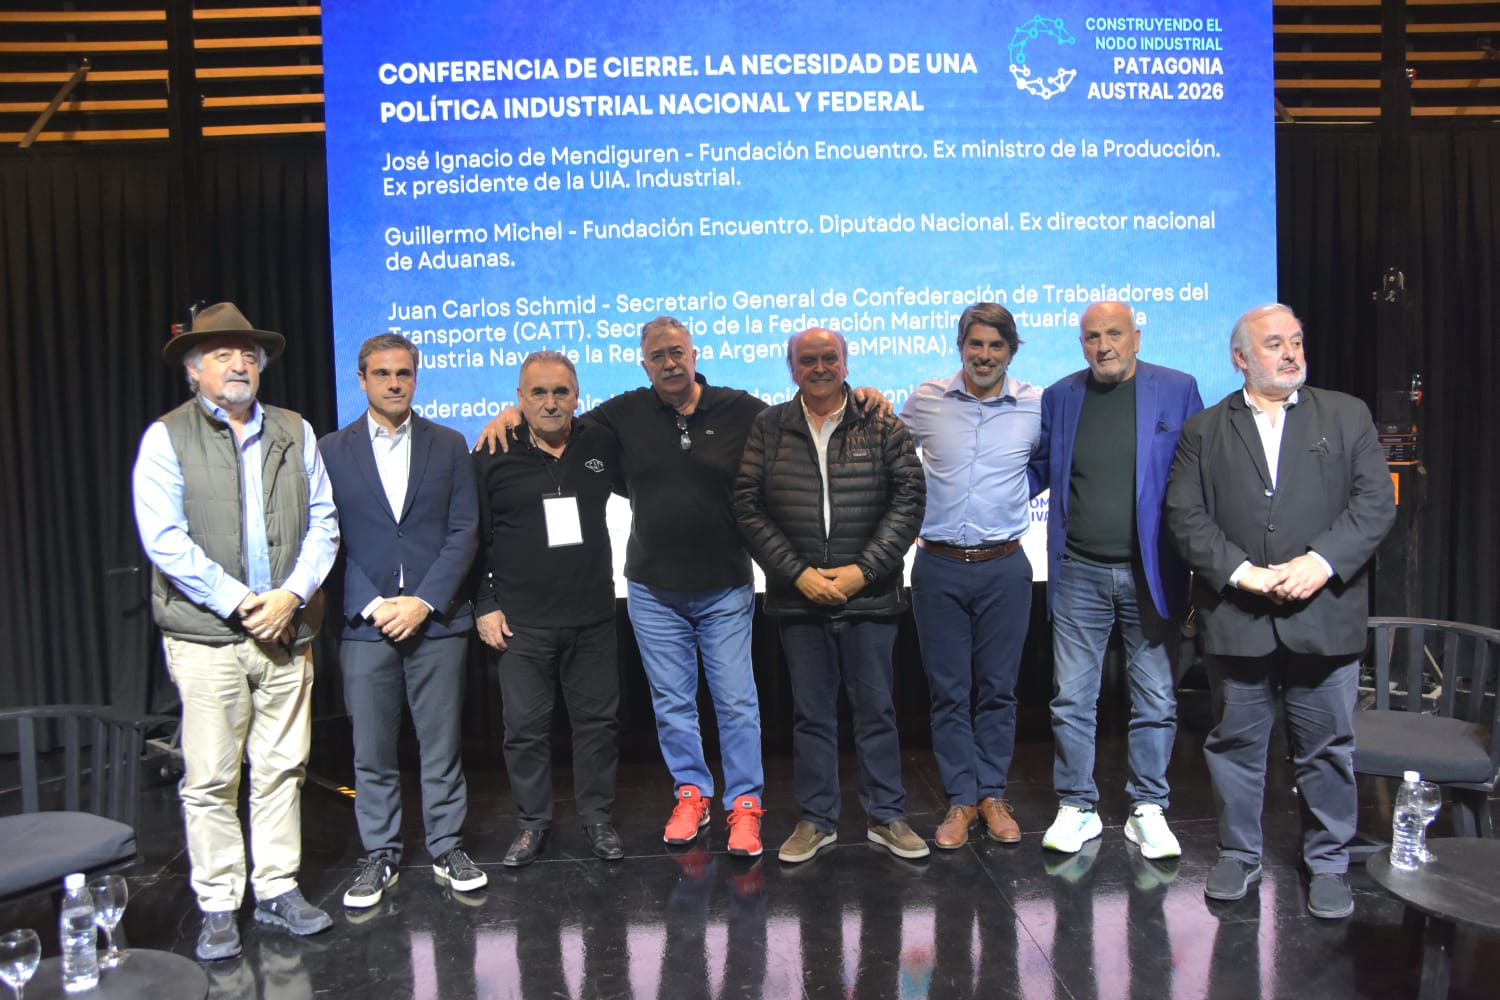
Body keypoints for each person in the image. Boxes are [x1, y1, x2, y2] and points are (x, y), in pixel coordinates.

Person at [477, 316, 889, 858]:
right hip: (653, 591)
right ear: (644, 364)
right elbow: (554, 417)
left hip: (726, 587)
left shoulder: (740, 409)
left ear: (694, 355)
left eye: (677, 352)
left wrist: (860, 394)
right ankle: (691, 795)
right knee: (673, 705)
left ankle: (745, 804)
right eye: (658, 355)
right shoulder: (621, 415)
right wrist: (511, 414)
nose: (669, 363)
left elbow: (801, 414)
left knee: (736, 702)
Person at [1164, 303, 1395, 918]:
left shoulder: (1346, 414)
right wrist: (1245, 574)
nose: (1290, 353)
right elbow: (1186, 517)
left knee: (1326, 748)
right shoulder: (1204, 430)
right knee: (1236, 745)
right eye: (1274, 344)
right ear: (1240, 358)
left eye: (1296, 340)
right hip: (1239, 617)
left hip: (1325, 613)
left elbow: (1375, 503)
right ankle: (1239, 855)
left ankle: (1328, 862)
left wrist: (1320, 562)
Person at [132, 302, 339, 961]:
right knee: (212, 777)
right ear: (193, 370)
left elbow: (324, 523)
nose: (239, 363)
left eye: (248, 353)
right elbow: (165, 539)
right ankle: (220, 902)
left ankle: (277, 889)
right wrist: (247, 603)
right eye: (222, 354)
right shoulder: (166, 437)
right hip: (207, 637)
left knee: (281, 768)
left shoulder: (294, 430)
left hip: (287, 632)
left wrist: (291, 595)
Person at [734, 327, 928, 863]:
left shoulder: (881, 421)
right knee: (811, 715)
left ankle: (886, 816)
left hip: (869, 595)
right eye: (808, 360)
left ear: (845, 363)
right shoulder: (768, 426)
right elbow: (748, 506)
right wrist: (797, 574)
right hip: (799, 599)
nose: (819, 368)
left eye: (829, 358)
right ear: (791, 368)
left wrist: (863, 571)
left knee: (876, 711)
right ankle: (817, 820)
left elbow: (910, 498)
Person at [1027, 301, 1204, 858]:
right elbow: (1034, 471)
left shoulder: (1177, 389)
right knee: (1071, 699)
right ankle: (1077, 806)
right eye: (1091, 336)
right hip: (1078, 570)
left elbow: (1201, 473)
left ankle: (1147, 807)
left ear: (1136, 337)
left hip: (1151, 573)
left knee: (1155, 698)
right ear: (1081, 343)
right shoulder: (1061, 395)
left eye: (1114, 334)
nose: (1103, 345)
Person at [318, 333, 485, 908]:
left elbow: (465, 531)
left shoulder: (450, 443)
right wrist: (373, 604)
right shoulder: (329, 451)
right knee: (371, 751)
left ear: (416, 378)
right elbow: (326, 538)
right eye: (383, 374)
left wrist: (423, 602)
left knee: (441, 747)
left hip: (436, 622)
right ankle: (380, 854)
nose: (394, 383)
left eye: (404, 374)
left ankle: (447, 847)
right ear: (361, 379)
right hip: (365, 625)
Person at [473, 351, 626, 866]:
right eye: (537, 392)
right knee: (524, 732)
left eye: (560, 391)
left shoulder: (601, 443)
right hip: (521, 622)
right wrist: (484, 603)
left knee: (598, 726)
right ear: (520, 398)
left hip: (593, 616)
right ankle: (532, 824)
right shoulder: (493, 451)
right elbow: (475, 536)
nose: (550, 402)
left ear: (577, 395)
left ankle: (597, 819)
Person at [899, 303, 1039, 849]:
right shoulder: (926, 400)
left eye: (995, 345)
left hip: (1005, 566)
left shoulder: (1035, 406)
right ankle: (961, 798)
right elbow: (887, 455)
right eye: (975, 344)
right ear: (960, 347)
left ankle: (992, 795)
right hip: (938, 567)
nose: (984, 355)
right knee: (949, 692)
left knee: (999, 691)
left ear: (1011, 351)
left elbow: (1049, 464)